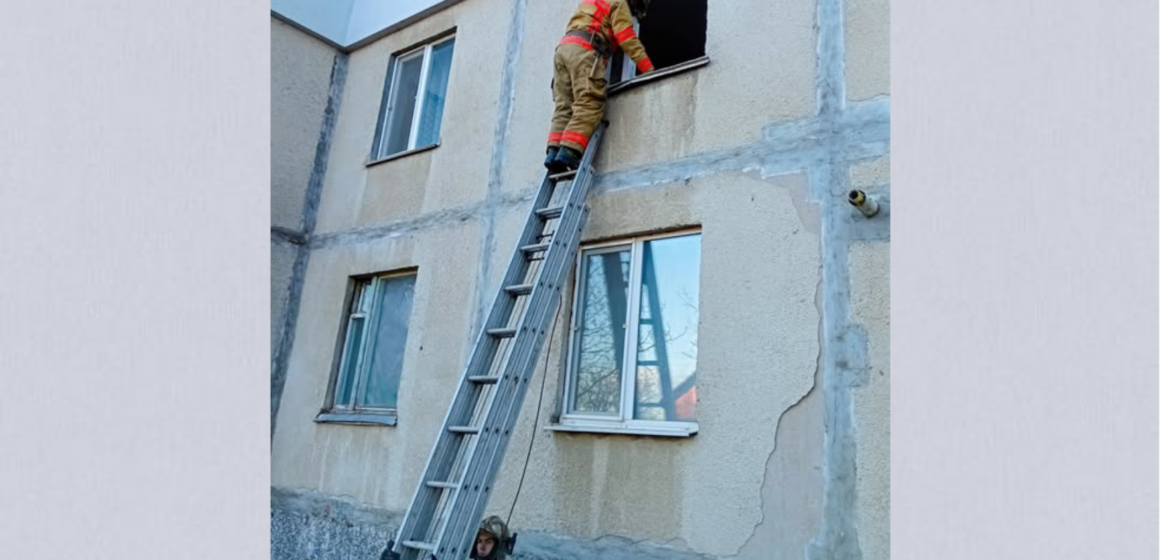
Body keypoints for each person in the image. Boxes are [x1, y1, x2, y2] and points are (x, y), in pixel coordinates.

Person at [545, 0, 655, 173]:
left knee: (564, 106)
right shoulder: (620, 3)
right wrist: (649, 70)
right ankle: (569, 152)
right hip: (584, 51)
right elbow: (627, 39)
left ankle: (552, 152)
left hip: (563, 51)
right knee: (589, 103)